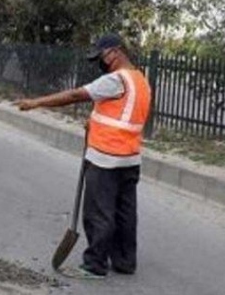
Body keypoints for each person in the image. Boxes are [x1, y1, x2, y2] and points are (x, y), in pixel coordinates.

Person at [15, 33, 152, 279]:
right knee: (125, 213)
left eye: (101, 56)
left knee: (98, 212)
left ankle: (95, 264)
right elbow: (123, 114)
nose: (101, 62)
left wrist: (36, 103)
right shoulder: (140, 80)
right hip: (130, 159)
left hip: (106, 158)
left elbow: (75, 95)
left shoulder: (115, 79)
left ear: (116, 52)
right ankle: (124, 261)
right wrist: (94, 122)